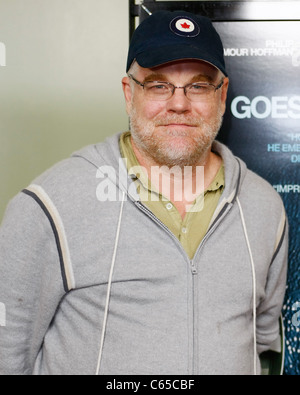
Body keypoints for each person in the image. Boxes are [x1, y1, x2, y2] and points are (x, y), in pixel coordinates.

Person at [0, 10, 288, 375]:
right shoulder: (50, 206)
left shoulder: (264, 207)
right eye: (158, 85)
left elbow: (261, 337)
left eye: (198, 86)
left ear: (222, 94)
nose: (179, 103)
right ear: (128, 93)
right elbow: (7, 353)